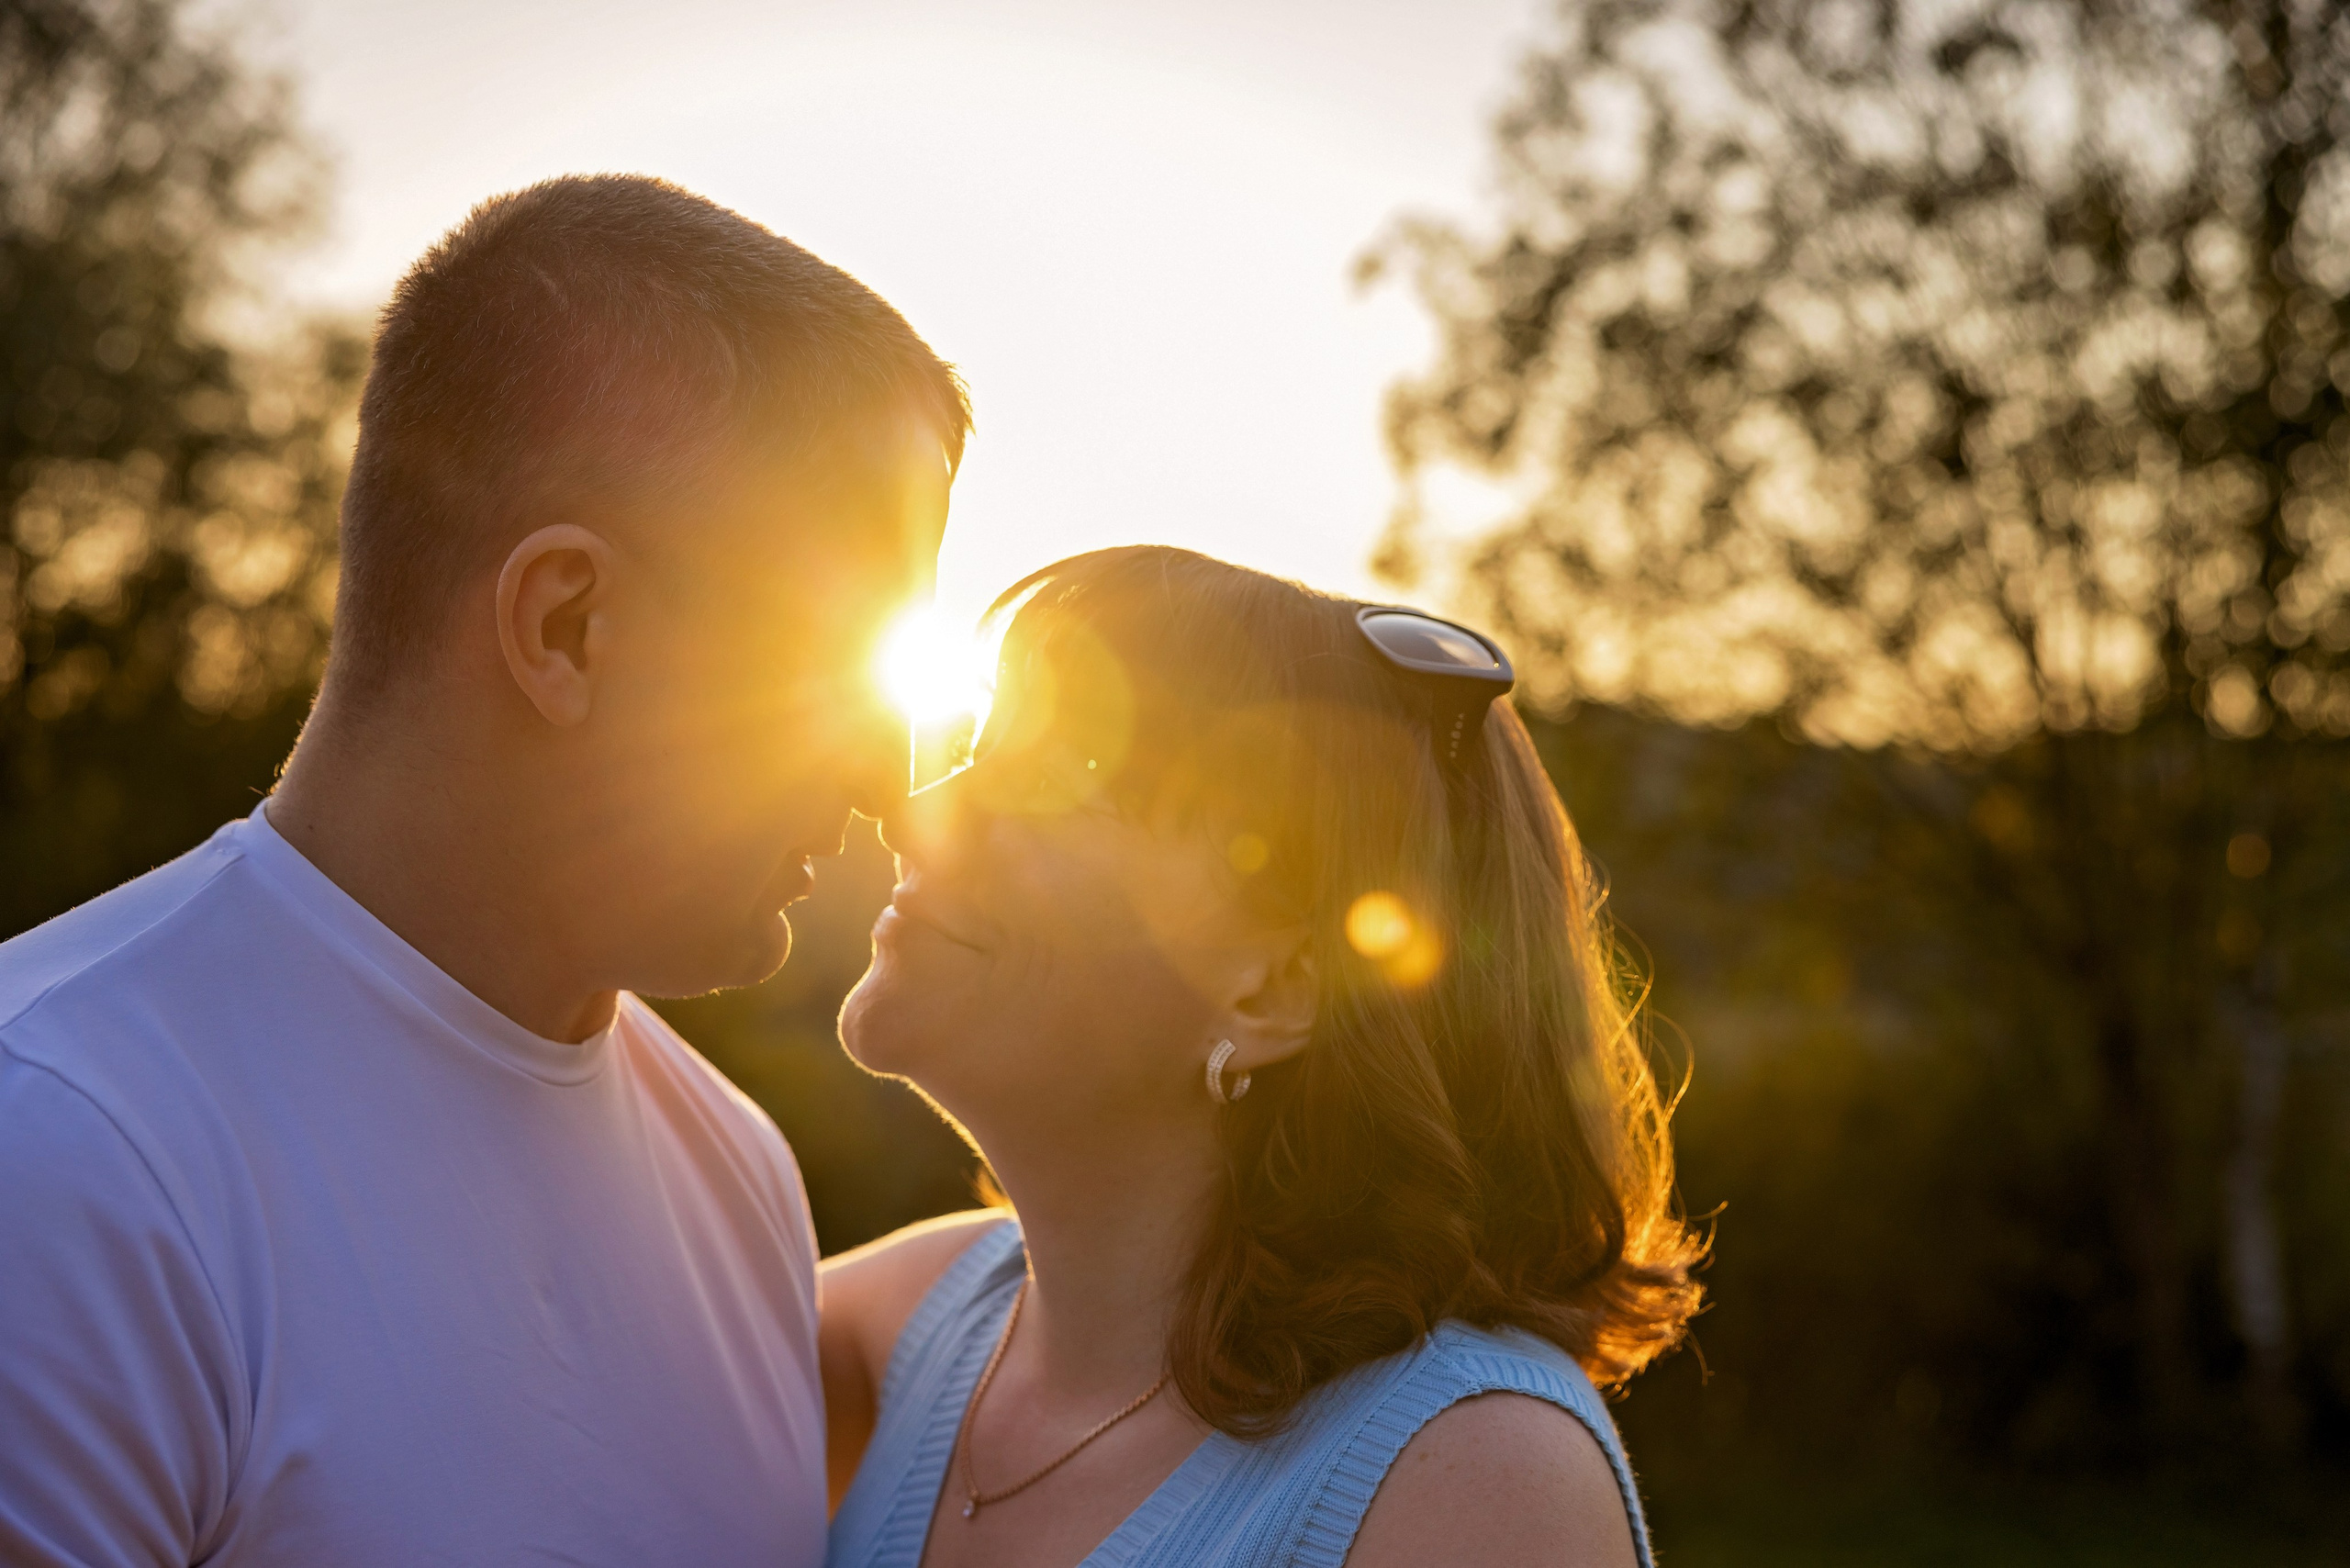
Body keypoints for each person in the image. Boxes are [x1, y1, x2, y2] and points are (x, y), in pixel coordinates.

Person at [0, 174, 968, 1568]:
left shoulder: (742, 1178)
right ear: (567, 626)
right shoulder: (69, 1162)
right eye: (838, 666)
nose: (889, 777)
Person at [820, 546, 1706, 1568]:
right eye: (977, 744)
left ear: (1272, 987)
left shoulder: (1478, 1485)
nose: (916, 810)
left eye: (1057, 776)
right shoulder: (916, 1324)